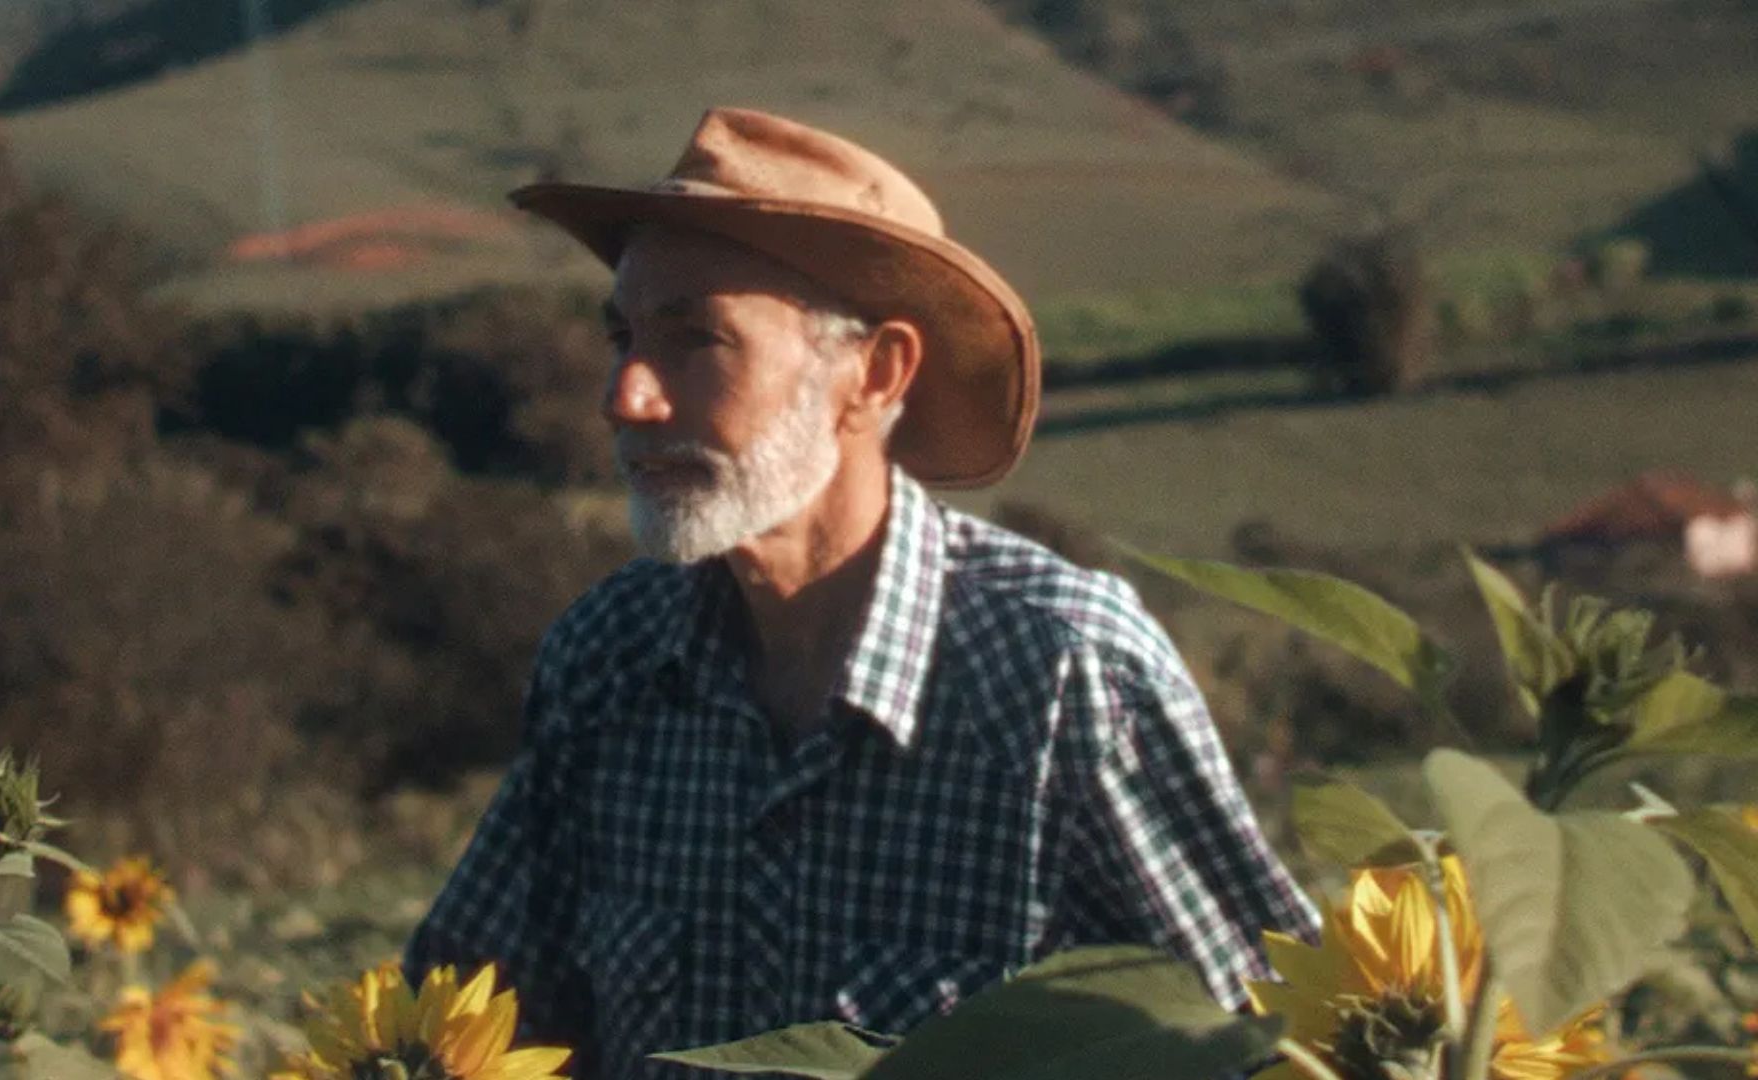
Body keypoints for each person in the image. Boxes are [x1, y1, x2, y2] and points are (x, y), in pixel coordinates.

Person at [404, 106, 1318, 1079]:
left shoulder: (1059, 675)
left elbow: (1269, 1042)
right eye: (623, 335)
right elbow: (458, 1019)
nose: (626, 396)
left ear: (874, 376)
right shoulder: (607, 662)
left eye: (695, 341)